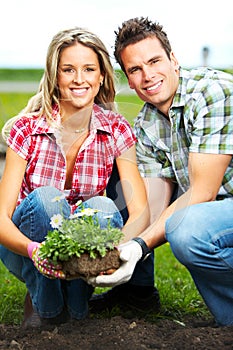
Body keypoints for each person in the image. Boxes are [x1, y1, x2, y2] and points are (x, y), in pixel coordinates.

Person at [0, 26, 158, 328]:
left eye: (89, 69)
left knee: (104, 208)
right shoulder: (26, 129)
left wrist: (116, 251)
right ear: (54, 75)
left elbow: (140, 211)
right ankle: (46, 311)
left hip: (83, 246)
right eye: (68, 69)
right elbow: (1, 218)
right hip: (25, 246)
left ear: (101, 77)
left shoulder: (116, 129)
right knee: (48, 200)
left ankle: (76, 315)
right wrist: (33, 250)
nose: (79, 79)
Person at [88, 17, 233, 326]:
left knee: (187, 229)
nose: (148, 75)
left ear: (174, 60)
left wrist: (139, 247)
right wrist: (117, 252)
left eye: (154, 61)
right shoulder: (147, 123)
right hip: (220, 209)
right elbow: (153, 207)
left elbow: (203, 192)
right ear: (128, 78)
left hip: (220, 202)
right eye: (135, 69)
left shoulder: (211, 92)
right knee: (139, 193)